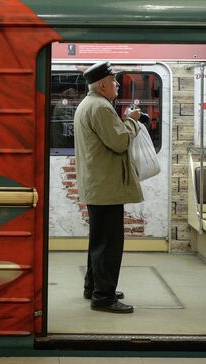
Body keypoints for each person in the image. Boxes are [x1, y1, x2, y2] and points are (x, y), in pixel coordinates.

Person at [73, 61, 143, 313]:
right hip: (106, 187)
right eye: (113, 81)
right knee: (109, 244)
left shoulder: (87, 104)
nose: (116, 84)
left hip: (98, 185)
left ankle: (93, 286)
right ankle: (104, 296)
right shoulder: (101, 107)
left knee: (99, 240)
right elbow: (119, 141)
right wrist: (132, 121)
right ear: (102, 85)